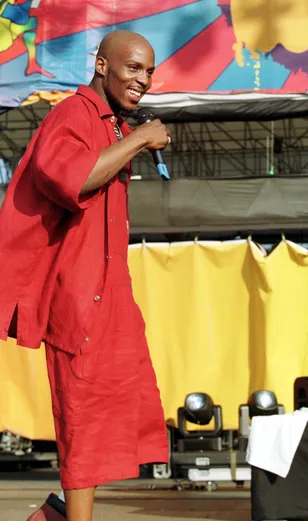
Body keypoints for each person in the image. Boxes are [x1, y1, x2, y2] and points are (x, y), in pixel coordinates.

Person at [0, 30, 170, 521]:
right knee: (81, 415)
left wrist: (129, 136)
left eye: (149, 71)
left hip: (108, 292)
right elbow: (70, 178)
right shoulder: (72, 114)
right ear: (101, 66)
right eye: (133, 67)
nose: (144, 79)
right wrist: (142, 138)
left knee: (103, 416)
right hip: (79, 296)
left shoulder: (112, 125)